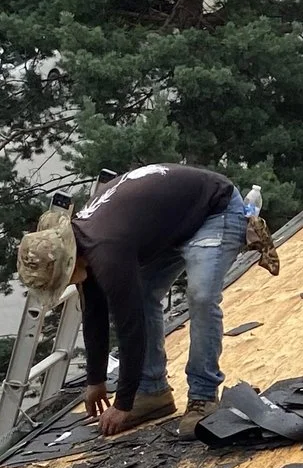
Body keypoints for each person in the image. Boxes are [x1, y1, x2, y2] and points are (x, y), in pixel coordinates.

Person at [14, 163, 274, 439]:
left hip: (214, 209)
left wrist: (123, 403)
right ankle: (152, 392)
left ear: (68, 261)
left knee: (201, 296)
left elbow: (131, 325)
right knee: (147, 291)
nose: (65, 284)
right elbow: (95, 313)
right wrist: (95, 380)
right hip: (175, 222)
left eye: (61, 280)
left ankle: (203, 395)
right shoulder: (79, 240)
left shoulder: (106, 250)